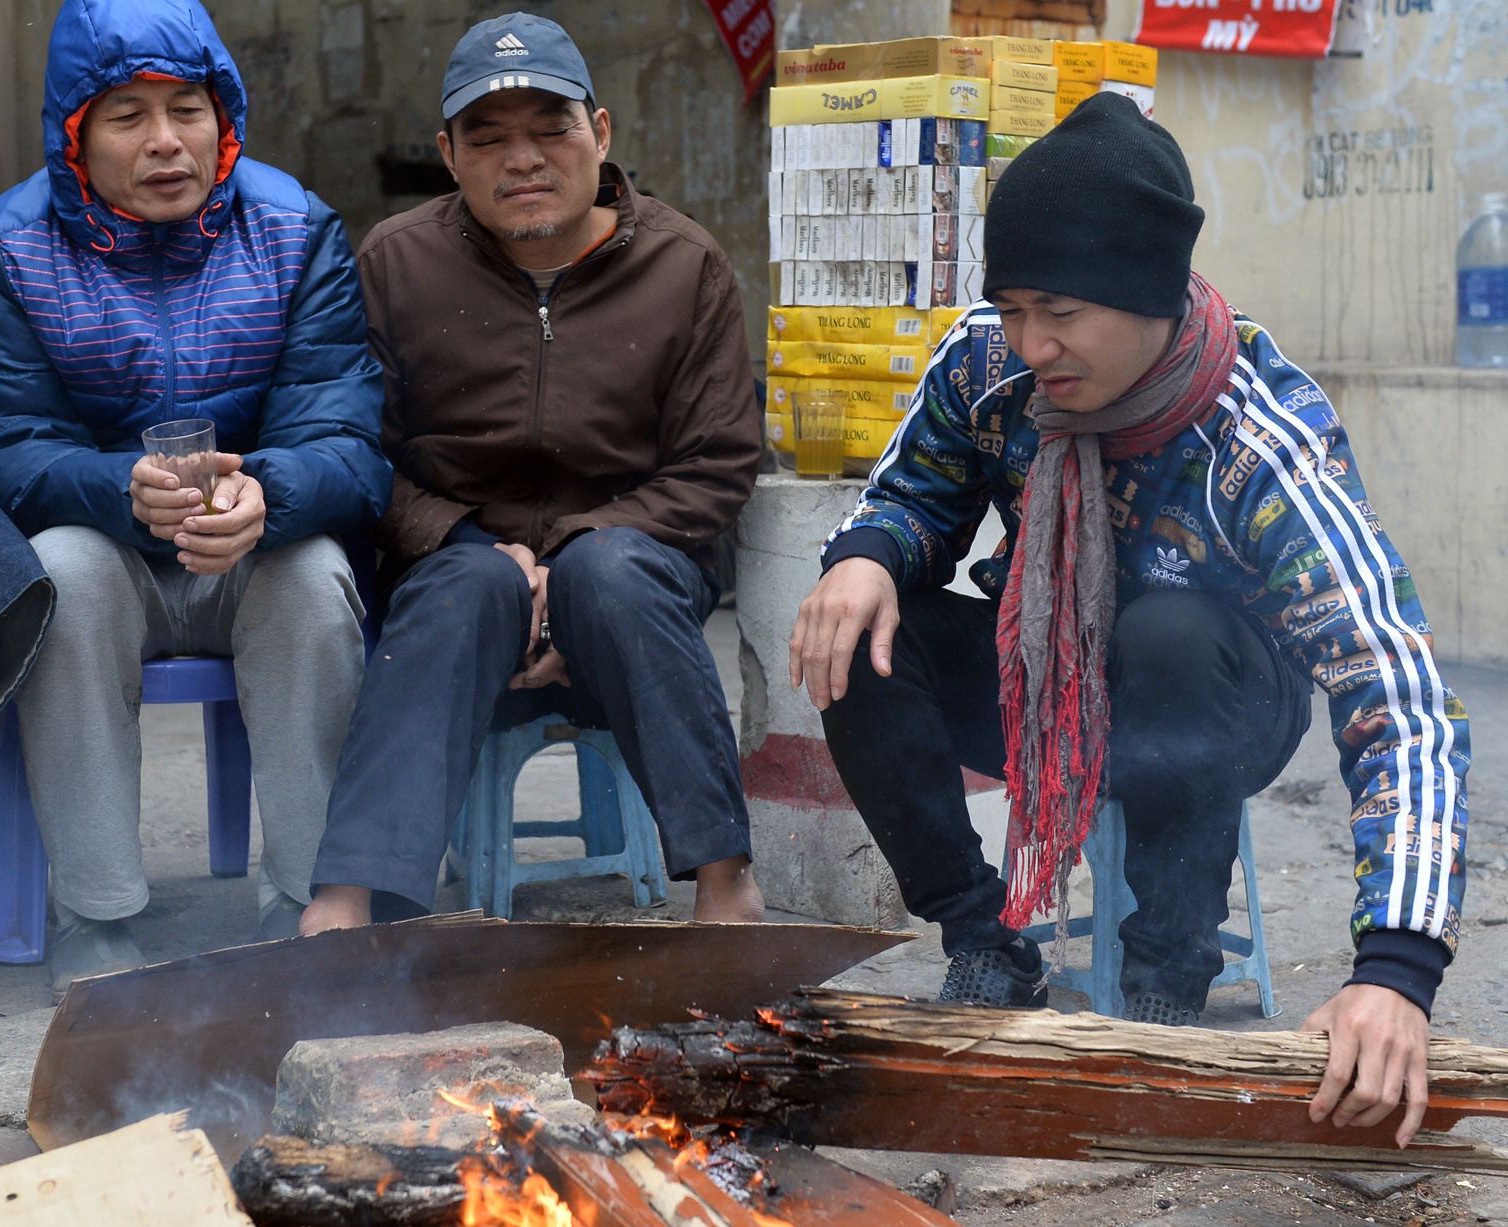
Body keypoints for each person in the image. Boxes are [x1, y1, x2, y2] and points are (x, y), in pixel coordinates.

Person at [790, 94, 1467, 1148]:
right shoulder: (988, 367)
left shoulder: (1262, 437)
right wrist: (867, 558)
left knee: (1169, 633)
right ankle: (983, 942)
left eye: (1058, 309)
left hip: (1215, 699)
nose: (1031, 341)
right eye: (1011, 306)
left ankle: (1165, 973)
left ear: (1147, 291)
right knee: (864, 627)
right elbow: (909, 497)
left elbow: (1398, 690)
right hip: (1043, 682)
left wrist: (1398, 970)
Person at [0, 0, 391, 992]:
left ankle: (306, 902)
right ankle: (97, 915)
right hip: (109, 549)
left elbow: (347, 437)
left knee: (317, 582)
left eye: (187, 108)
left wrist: (268, 493)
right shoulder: (2, 249)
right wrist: (115, 490)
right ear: (75, 134)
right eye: (127, 116)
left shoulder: (296, 229)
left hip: (254, 548)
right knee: (59, 576)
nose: (165, 142)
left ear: (222, 115)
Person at [299, 13, 764, 934]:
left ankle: (724, 887)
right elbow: (356, 453)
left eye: (551, 128)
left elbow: (719, 459)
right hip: (464, 574)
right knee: (461, 586)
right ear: (448, 154)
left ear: (600, 133)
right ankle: (350, 904)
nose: (524, 159)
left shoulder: (685, 265)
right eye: (489, 137)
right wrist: (479, 546)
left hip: (636, 579)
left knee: (613, 572)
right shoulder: (398, 262)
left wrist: (576, 551)